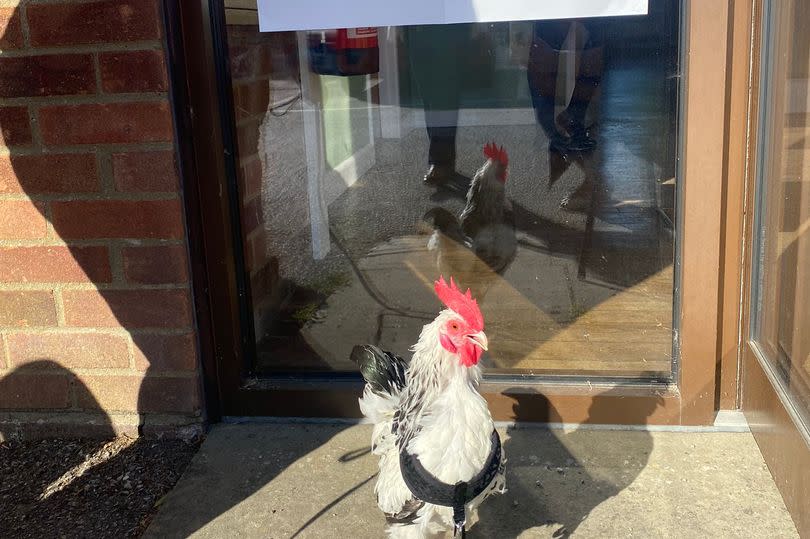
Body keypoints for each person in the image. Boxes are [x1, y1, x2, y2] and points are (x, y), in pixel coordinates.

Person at [527, 19, 605, 153]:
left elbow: (599, 63)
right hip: (557, 124)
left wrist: (555, 59)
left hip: (581, 123)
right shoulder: (544, 25)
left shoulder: (594, 23)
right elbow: (540, 68)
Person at [406, 24, 470, 185]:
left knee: (443, 94)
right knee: (429, 96)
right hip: (417, 26)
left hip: (444, 27)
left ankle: (440, 161)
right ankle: (443, 159)